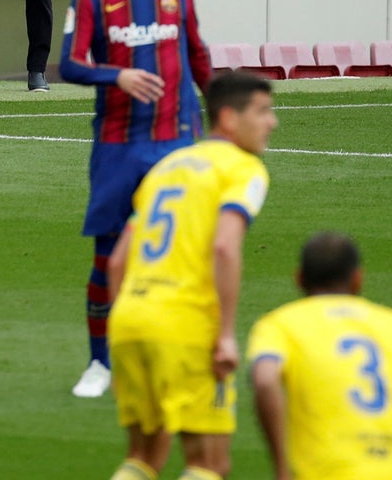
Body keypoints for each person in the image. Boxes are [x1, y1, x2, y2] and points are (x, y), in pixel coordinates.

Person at [59, 0, 213, 398]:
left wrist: (222, 117)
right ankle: (100, 364)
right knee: (108, 254)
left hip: (178, 138)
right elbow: (71, 65)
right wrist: (118, 76)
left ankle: (177, 354)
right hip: (119, 143)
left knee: (182, 254)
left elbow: (196, 52)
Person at [105, 71, 278, 480]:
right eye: (263, 112)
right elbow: (224, 246)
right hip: (185, 325)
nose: (272, 122)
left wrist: (121, 325)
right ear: (229, 119)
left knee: (142, 458)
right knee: (209, 464)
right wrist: (226, 334)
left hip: (130, 320)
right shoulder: (243, 169)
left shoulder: (168, 166)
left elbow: (116, 264)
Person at [247, 232, 392, 480]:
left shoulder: (280, 325)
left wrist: (282, 470)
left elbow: (264, 380)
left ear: (299, 278)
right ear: (358, 279)